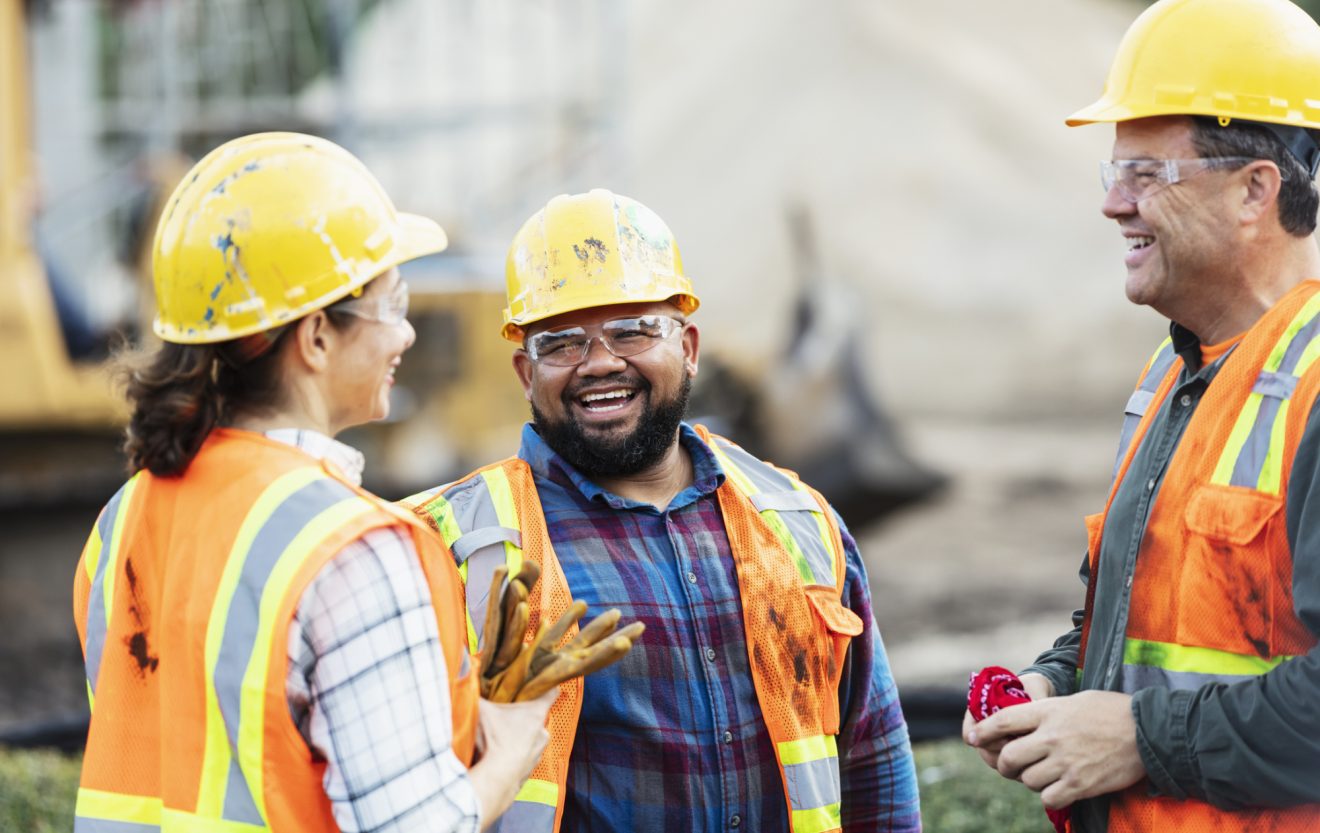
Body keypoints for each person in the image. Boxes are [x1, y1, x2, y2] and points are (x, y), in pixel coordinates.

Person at [71, 132, 556, 833]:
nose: (406, 335)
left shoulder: (122, 518)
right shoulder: (355, 550)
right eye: (393, 304)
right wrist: (508, 757)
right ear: (317, 335)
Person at [405, 189, 920, 833]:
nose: (599, 363)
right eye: (561, 343)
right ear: (523, 373)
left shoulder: (797, 519)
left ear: (690, 347)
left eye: (633, 330)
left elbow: (871, 754)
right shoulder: (449, 547)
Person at [962, 0, 1320, 830]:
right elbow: (1148, 627)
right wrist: (1056, 683)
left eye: (1147, 174)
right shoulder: (1175, 369)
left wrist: (1137, 737)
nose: (1113, 204)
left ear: (1254, 191)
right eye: (1111, 172)